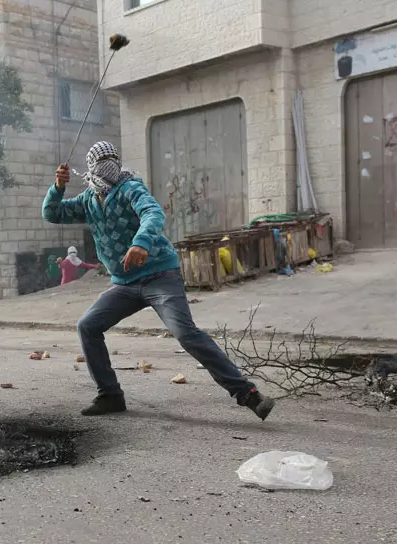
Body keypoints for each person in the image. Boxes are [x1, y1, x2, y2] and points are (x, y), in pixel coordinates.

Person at [42, 140, 275, 420]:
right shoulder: (89, 201)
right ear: (91, 168)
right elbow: (52, 213)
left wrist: (140, 243)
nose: (110, 166)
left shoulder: (130, 188)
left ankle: (247, 394)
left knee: (185, 333)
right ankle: (110, 395)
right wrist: (57, 187)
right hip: (126, 284)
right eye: (103, 161)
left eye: (113, 159)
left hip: (160, 276)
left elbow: (152, 213)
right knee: (88, 326)